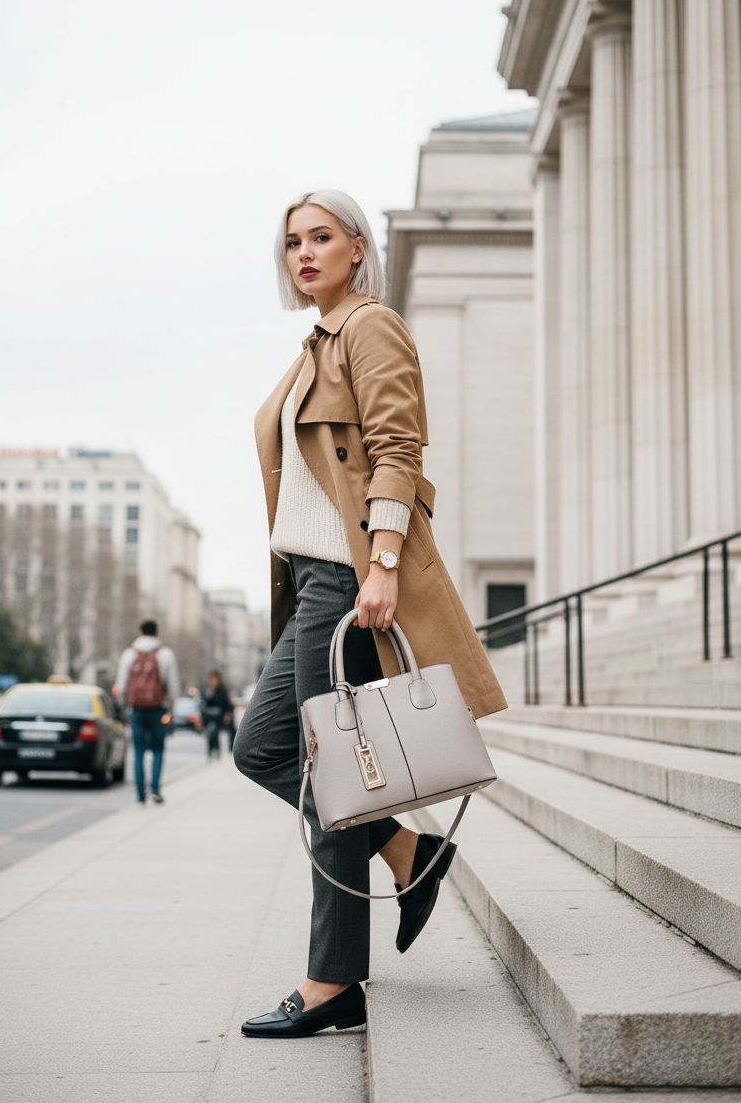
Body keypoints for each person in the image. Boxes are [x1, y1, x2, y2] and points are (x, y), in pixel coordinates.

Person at [233, 189, 508, 1039]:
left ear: (358, 247)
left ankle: (331, 981)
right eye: (291, 243)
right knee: (278, 752)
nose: (303, 253)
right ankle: (405, 853)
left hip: (346, 577)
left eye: (321, 238)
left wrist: (382, 562)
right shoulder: (314, 344)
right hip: (313, 584)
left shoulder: (369, 326)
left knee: (299, 757)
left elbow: (398, 446)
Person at [113, 620, 180, 804]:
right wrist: (171, 710)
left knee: (139, 752)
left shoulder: (129, 654)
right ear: (156, 632)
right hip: (158, 709)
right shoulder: (165, 654)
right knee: (158, 749)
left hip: (136, 709)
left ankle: (140, 794)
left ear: (140, 632)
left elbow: (120, 685)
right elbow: (173, 687)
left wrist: (122, 707)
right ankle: (155, 789)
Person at [201, 669, 233, 760]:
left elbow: (226, 704)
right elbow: (203, 703)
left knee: (215, 733)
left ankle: (217, 752)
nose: (213, 682)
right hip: (208, 716)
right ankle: (209, 753)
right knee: (209, 734)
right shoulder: (207, 690)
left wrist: (227, 715)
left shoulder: (222, 690)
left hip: (218, 717)